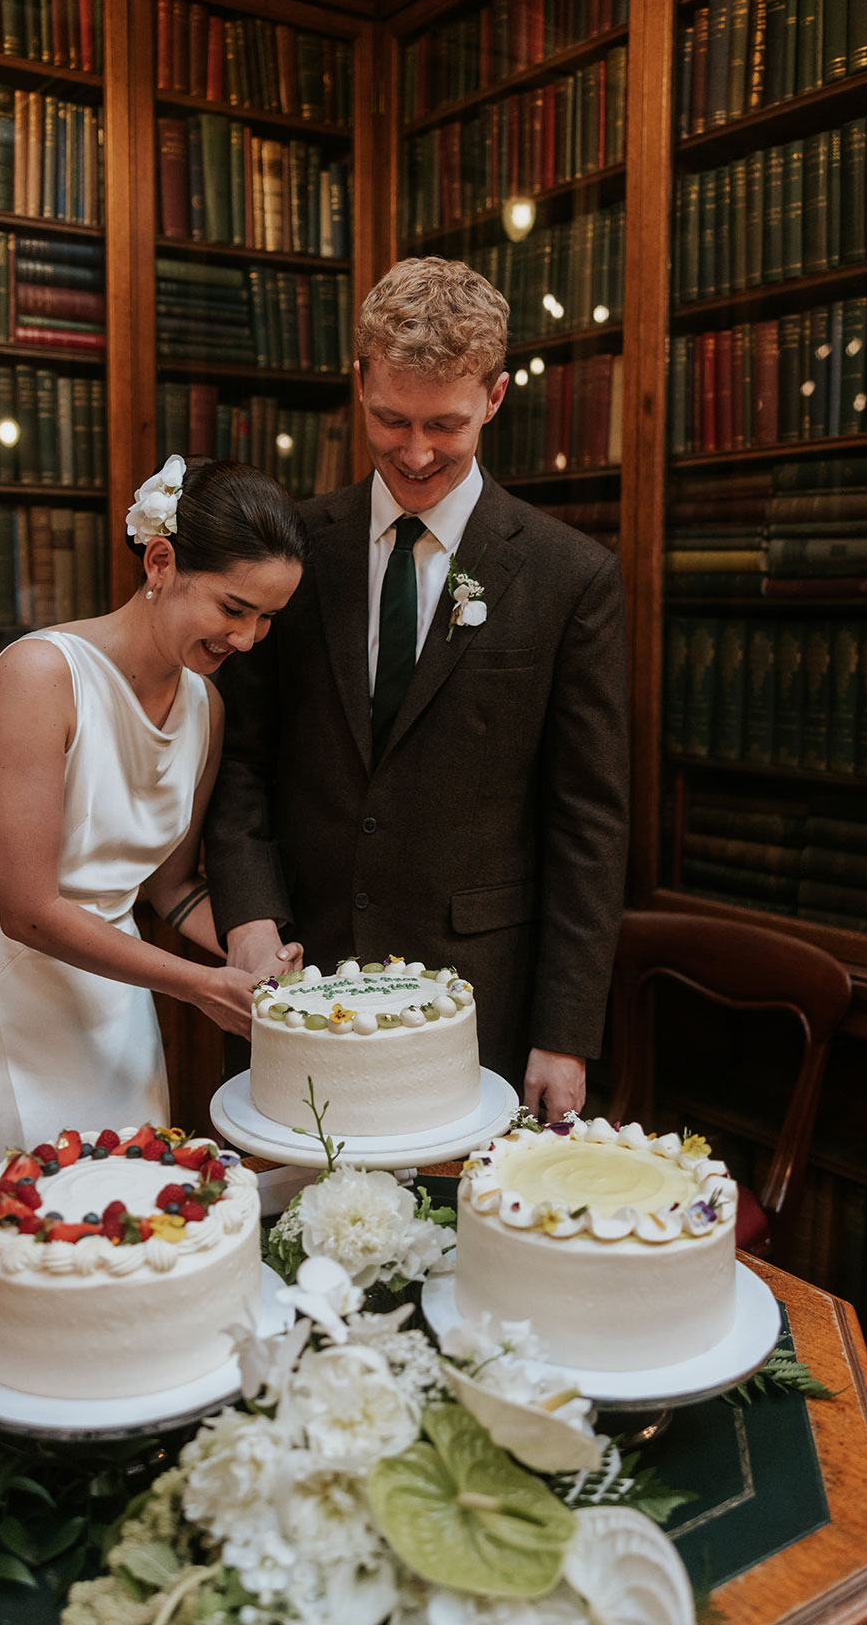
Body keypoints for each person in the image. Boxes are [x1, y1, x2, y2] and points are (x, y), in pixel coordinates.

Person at [204, 258, 629, 1119]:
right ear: (359, 382)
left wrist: (566, 1031)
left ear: (496, 397)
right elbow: (242, 757)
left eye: (447, 423)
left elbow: (589, 820)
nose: (416, 451)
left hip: (480, 997)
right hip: (296, 981)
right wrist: (247, 915)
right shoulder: (299, 551)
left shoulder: (568, 576)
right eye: (390, 419)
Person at [0, 456, 307, 1270]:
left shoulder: (206, 706)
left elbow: (166, 885)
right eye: (234, 607)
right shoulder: (39, 674)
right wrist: (199, 986)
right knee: (0, 1272)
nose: (246, 639)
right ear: (161, 562)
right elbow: (26, 906)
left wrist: (248, 953)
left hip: (116, 1021)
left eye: (267, 620)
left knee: (123, 1259)